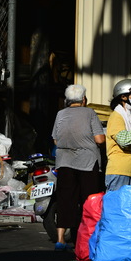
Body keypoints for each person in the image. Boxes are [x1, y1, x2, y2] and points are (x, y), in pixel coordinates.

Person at [51, 84, 105, 251]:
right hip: (88, 163)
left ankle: (60, 240)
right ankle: (87, 239)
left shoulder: (60, 114)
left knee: (65, 200)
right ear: (84, 100)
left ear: (68, 100)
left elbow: (56, 140)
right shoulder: (90, 113)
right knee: (88, 201)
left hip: (65, 162)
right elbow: (100, 139)